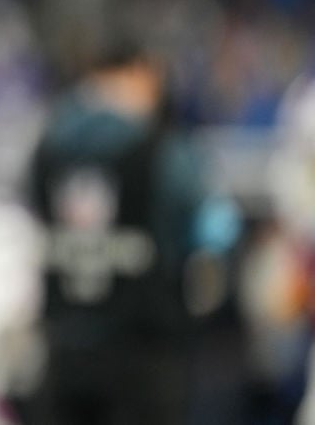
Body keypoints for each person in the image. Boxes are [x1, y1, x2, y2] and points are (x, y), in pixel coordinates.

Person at [21, 37, 240, 425]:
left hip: (62, 351)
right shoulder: (164, 151)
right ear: (133, 74)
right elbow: (215, 222)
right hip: (145, 354)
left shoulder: (45, 146)